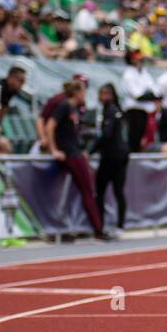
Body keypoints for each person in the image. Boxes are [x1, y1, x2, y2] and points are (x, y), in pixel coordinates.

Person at [47, 79, 109, 240]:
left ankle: (80, 227)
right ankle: (97, 229)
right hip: (70, 155)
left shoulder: (74, 109)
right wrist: (54, 149)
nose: (85, 95)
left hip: (75, 152)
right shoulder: (64, 106)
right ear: (77, 92)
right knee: (88, 191)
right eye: (83, 91)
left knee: (82, 191)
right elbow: (50, 125)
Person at [92, 83, 130, 232]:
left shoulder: (112, 111)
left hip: (113, 156)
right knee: (116, 191)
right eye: (101, 94)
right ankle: (116, 224)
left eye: (106, 94)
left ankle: (103, 225)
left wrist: (91, 150)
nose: (103, 97)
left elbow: (106, 135)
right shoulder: (113, 111)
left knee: (104, 191)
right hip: (118, 155)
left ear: (113, 96)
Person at [120, 49, 158, 152]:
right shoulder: (129, 74)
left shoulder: (144, 73)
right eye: (137, 58)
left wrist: (150, 95)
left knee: (144, 138)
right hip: (133, 111)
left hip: (144, 110)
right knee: (134, 138)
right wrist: (149, 95)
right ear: (131, 60)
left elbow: (156, 92)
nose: (140, 60)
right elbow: (138, 95)